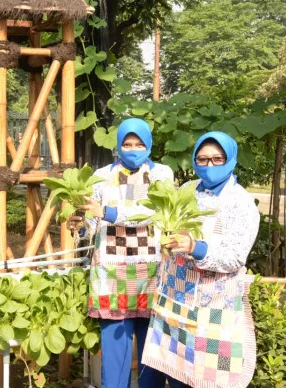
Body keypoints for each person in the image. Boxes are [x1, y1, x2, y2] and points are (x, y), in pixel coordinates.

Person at [141, 132, 259, 388]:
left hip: (214, 306)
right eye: (203, 159)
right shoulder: (187, 190)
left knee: (210, 377)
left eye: (218, 159)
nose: (209, 166)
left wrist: (196, 247)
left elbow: (236, 257)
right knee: (176, 370)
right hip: (176, 300)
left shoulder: (240, 203)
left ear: (231, 160)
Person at [68, 118, 174, 388]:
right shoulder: (102, 176)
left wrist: (107, 213)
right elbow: (93, 223)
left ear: (149, 145)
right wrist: (80, 226)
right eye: (127, 144)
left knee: (152, 353)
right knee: (114, 353)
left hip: (153, 271)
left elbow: (149, 213)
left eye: (139, 144)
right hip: (112, 272)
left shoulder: (162, 175)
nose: (133, 148)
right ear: (118, 145)